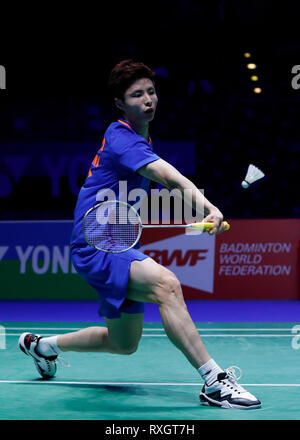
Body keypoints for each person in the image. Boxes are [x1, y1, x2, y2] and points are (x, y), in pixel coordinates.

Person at [19, 59, 261, 410]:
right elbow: (169, 177)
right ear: (120, 103)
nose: (148, 99)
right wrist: (208, 207)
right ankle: (215, 382)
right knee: (167, 285)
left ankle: (41, 346)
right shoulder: (122, 138)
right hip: (95, 243)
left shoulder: (138, 137)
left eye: (150, 91)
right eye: (137, 95)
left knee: (123, 343)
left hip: (110, 241)